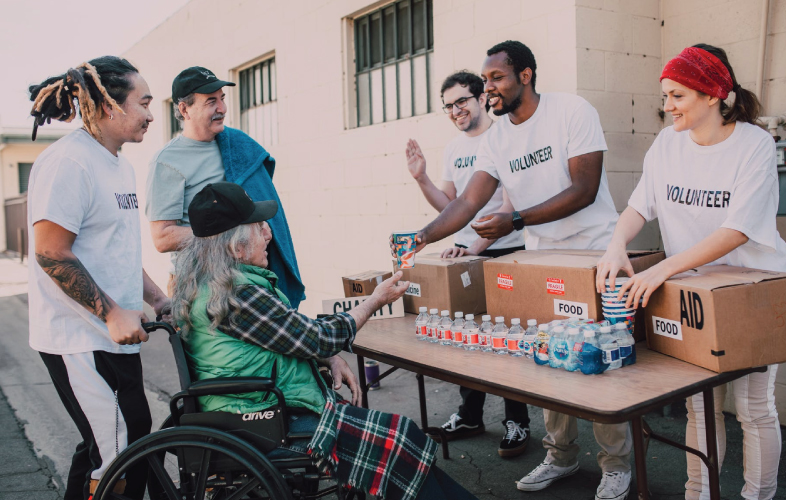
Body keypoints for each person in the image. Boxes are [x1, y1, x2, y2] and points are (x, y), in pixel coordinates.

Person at [398, 40, 632, 500]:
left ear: (525, 75)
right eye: (485, 81)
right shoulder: (497, 137)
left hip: (593, 252)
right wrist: (422, 236)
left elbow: (584, 188)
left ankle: (617, 465)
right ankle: (561, 455)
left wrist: (518, 219)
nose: (489, 90)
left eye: (496, 78)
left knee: (600, 364)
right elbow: (468, 201)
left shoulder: (572, 111)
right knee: (548, 356)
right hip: (542, 257)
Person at [172, 181, 480, 500]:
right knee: (399, 438)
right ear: (235, 246)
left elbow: (291, 337)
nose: (268, 234)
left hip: (255, 409)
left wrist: (327, 356)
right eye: (259, 227)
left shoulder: (211, 286)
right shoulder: (237, 296)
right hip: (263, 421)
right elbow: (318, 338)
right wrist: (374, 301)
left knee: (403, 442)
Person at [596, 44, 786, 500]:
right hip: (695, 291)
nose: (667, 106)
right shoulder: (667, 144)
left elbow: (736, 231)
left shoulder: (755, 145)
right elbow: (639, 205)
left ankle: (757, 496)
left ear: (713, 95)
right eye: (665, 95)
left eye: (678, 95)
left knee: (754, 407)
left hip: (753, 288)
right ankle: (698, 495)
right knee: (699, 408)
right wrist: (615, 245)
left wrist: (661, 270)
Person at [27, 56, 170, 500]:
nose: (150, 113)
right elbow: (51, 253)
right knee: (116, 451)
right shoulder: (69, 163)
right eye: (143, 103)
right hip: (79, 338)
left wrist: (157, 298)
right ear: (110, 105)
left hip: (114, 334)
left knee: (121, 440)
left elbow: (115, 251)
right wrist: (110, 313)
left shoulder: (119, 165)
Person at [405, 70, 528, 456]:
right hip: (464, 255)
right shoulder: (454, 149)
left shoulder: (505, 138)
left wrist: (472, 248)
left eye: (462, 101)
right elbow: (452, 207)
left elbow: (510, 206)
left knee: (508, 341)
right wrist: (422, 178)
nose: (455, 110)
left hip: (503, 252)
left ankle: (517, 422)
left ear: (481, 99)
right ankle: (470, 415)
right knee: (466, 340)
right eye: (448, 106)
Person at [145, 66, 304, 307]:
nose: (222, 109)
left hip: (250, 279)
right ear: (184, 109)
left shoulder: (237, 144)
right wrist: (233, 233)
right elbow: (162, 238)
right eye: (211, 101)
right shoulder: (167, 162)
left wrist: (258, 228)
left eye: (222, 99)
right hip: (198, 284)